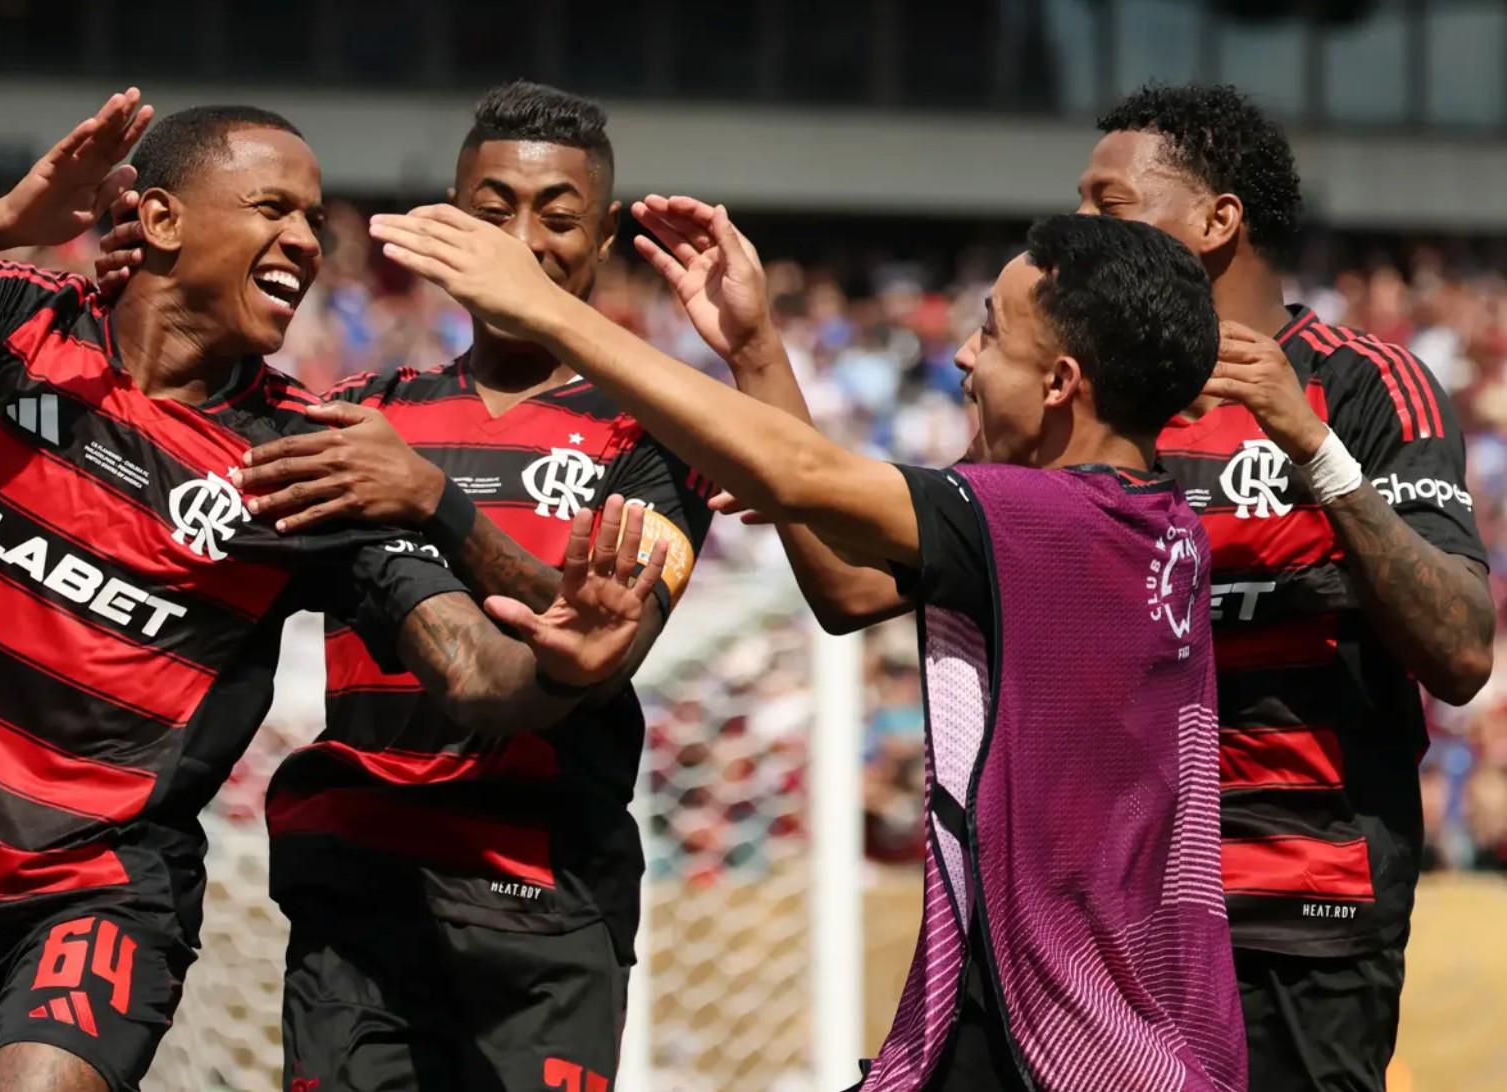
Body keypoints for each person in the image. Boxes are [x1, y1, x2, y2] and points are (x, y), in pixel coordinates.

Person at [0, 90, 665, 1092]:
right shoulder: (13, 323)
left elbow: (477, 675)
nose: (305, 242)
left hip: (102, 893)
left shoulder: (303, 460)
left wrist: (567, 643)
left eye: (313, 220)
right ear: (164, 220)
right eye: (273, 208)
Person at [718, 83, 1496, 1092]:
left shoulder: (1361, 386)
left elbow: (1459, 651)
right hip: (1090, 920)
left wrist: (1312, 450)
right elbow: (853, 590)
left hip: (1292, 911)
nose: (1077, 222)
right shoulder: (1079, 402)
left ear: (1217, 220)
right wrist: (754, 351)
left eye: (1108, 203)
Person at [370, 204, 1245, 1089]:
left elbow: (802, 474)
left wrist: (548, 310)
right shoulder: (1148, 520)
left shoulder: (1055, 521)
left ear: (1059, 382)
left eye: (990, 333)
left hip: (1070, 1048)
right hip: (1041, 1022)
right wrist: (755, 351)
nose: (963, 356)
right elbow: (848, 586)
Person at [104, 80, 712, 1091]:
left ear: (603, 237)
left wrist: (434, 500)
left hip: (542, 902)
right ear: (447, 224)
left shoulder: (656, 432)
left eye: (557, 218)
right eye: (492, 213)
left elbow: (603, 647)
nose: (521, 242)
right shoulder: (354, 415)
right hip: (357, 891)